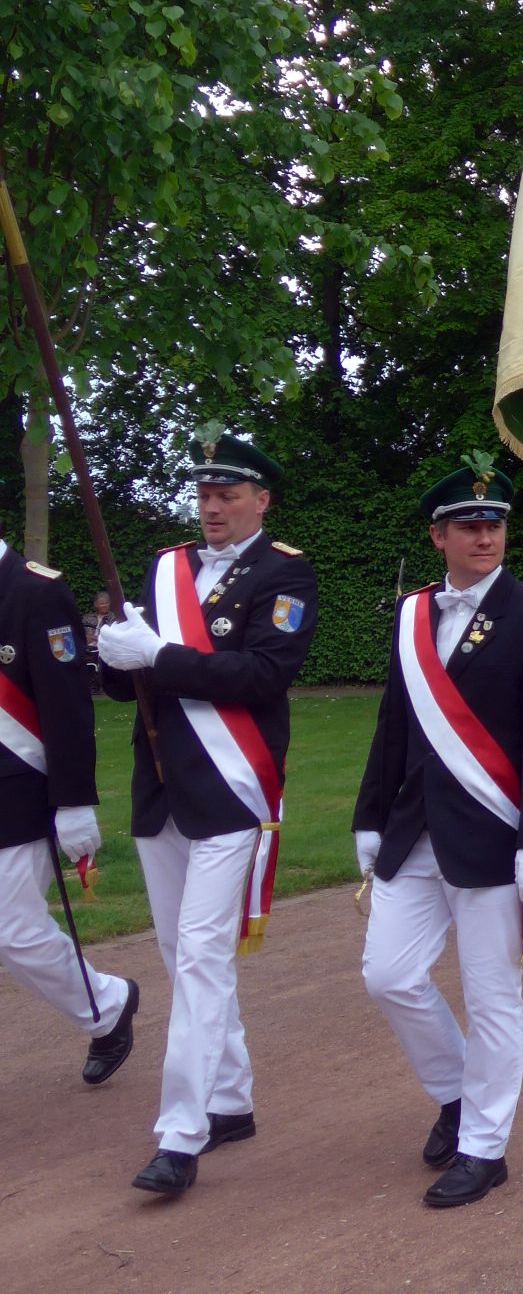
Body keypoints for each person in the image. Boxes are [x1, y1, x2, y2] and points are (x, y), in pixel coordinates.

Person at [352, 457, 523, 1209]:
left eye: (495, 525)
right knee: (388, 975)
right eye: (469, 526)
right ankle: (455, 1091)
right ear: (438, 536)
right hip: (414, 829)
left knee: (491, 998)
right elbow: (394, 725)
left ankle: (485, 1146)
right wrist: (368, 816)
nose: (485, 537)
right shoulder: (412, 614)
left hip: (493, 834)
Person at [96, 429, 317, 1198]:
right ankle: (230, 1100)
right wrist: (116, 654)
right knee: (178, 951)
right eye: (205, 495)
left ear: (262, 500)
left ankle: (181, 1133)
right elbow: (132, 683)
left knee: (198, 957)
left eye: (228, 495)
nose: (213, 507)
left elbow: (262, 675)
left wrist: (158, 656)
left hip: (231, 790)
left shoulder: (285, 574)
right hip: (161, 788)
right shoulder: (167, 568)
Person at [0, 537, 140, 1085]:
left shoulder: (35, 592)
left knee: (15, 931)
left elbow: (66, 703)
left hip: (16, 790)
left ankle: (106, 1004)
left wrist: (74, 800)